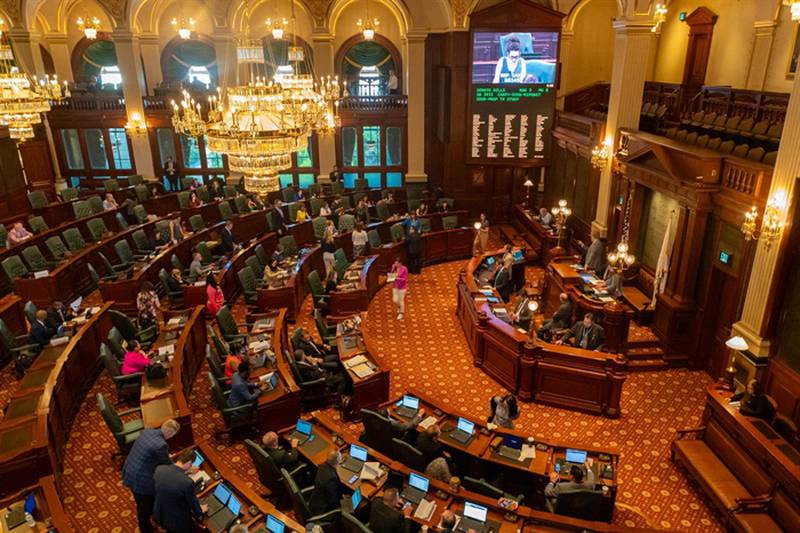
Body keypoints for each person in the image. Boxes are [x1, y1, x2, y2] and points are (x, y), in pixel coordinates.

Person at [122, 419, 181, 533]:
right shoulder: (161, 444)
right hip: (140, 480)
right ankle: (145, 529)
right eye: (172, 436)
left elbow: (151, 454)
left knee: (142, 501)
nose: (170, 438)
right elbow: (167, 464)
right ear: (170, 433)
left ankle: (153, 518)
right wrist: (180, 467)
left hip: (130, 470)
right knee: (144, 508)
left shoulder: (148, 431)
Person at [152, 449, 206, 533]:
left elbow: (172, 476)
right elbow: (193, 503)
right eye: (191, 464)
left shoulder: (159, 469)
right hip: (176, 522)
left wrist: (187, 471)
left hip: (159, 512)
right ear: (189, 463)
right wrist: (200, 511)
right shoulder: (187, 483)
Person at [309, 450, 342, 515]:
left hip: (315, 500)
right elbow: (333, 500)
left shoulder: (322, 466)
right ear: (337, 462)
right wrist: (343, 501)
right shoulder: (331, 478)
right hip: (322, 508)